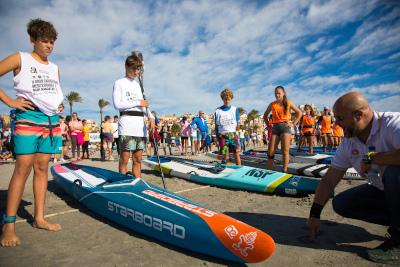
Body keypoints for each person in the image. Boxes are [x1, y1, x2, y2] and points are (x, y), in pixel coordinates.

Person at [307, 92, 400, 264]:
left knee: (395, 173)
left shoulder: (392, 123)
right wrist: (315, 213)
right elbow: (329, 179)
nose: (336, 123)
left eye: (340, 118)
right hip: (384, 190)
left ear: (359, 115)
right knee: (342, 203)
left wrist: (373, 158)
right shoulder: (349, 142)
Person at [0, 19, 63, 247]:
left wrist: (59, 105)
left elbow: (53, 92)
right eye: (44, 41)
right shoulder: (20, 58)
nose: (49, 45)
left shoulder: (55, 68)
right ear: (33, 40)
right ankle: (9, 225)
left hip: (50, 121)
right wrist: (9, 101)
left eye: (52, 42)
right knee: (22, 167)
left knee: (42, 168)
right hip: (27, 118)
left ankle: (39, 218)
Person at [112, 51, 155, 177]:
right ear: (127, 67)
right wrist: (138, 102)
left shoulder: (138, 85)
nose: (136, 72)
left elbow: (144, 105)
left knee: (138, 159)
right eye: (134, 69)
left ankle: (137, 183)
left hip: (140, 126)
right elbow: (117, 104)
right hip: (126, 124)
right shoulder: (119, 83)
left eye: (138, 69)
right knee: (125, 159)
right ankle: (122, 182)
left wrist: (151, 117)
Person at [263, 86, 302, 172]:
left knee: (285, 150)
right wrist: (268, 126)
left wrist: (293, 123)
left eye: (279, 93)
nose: (277, 95)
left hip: (285, 127)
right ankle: (269, 170)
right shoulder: (272, 104)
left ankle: (284, 170)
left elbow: (299, 113)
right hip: (275, 128)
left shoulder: (288, 103)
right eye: (276, 93)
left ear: (283, 93)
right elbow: (265, 115)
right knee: (270, 151)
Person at [214, 88, 241, 165]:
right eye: (225, 99)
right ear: (222, 99)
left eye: (228, 99)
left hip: (232, 134)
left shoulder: (234, 109)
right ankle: (225, 169)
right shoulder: (218, 110)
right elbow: (216, 126)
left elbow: (237, 124)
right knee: (225, 154)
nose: (227, 101)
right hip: (222, 135)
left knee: (236, 153)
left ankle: (239, 168)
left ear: (231, 98)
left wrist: (236, 135)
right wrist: (217, 138)